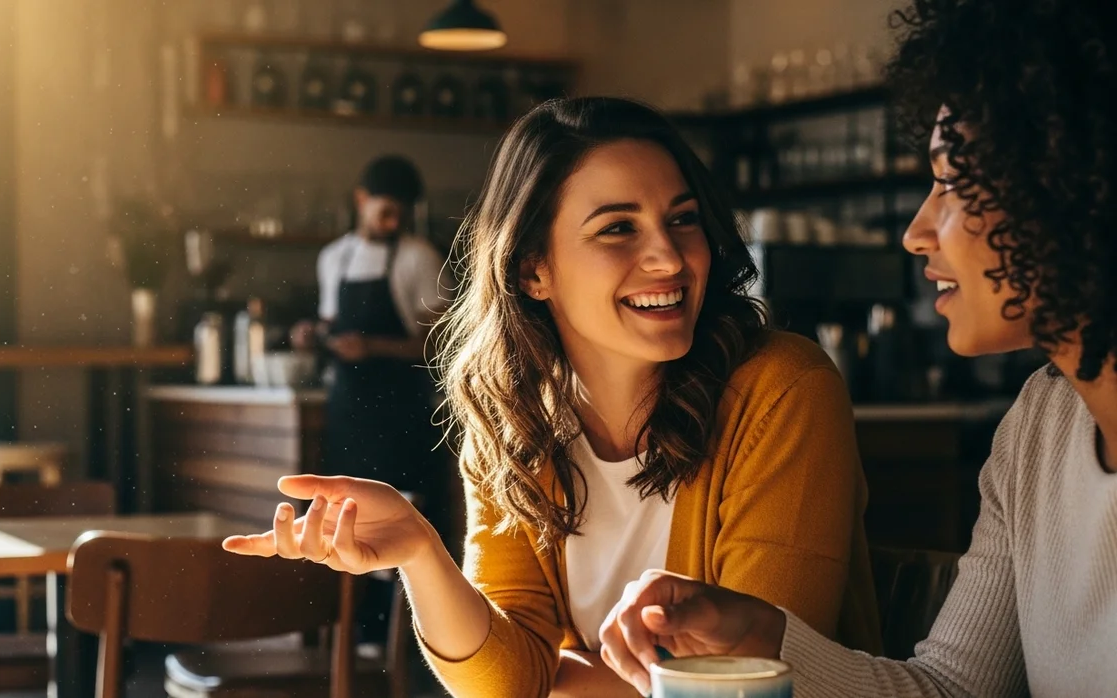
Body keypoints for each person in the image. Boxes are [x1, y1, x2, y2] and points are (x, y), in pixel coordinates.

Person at [225, 97, 880, 697]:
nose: (672, 259)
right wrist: (421, 554)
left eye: (683, 220)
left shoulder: (783, 392)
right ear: (532, 268)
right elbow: (507, 679)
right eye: (618, 228)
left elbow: (745, 683)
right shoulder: (512, 415)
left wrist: (559, 680)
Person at [596, 1, 1117, 696]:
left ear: (1072, 182)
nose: (917, 231)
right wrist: (766, 637)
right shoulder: (1039, 427)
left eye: (950, 183)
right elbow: (950, 689)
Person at [291, 155, 452, 645]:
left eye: (401, 213)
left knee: (400, 525)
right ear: (360, 200)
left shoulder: (418, 258)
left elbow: (440, 342)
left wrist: (374, 347)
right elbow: (330, 321)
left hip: (401, 413)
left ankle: (404, 647)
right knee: (347, 519)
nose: (393, 222)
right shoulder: (333, 257)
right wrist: (312, 333)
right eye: (385, 211)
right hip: (348, 412)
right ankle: (351, 640)